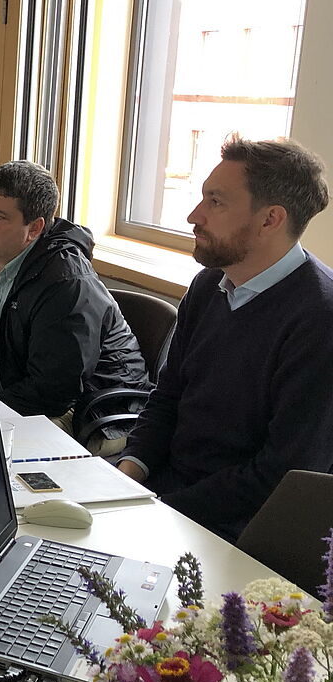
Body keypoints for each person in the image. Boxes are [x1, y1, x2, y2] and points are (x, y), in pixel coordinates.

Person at [118, 137, 333, 541]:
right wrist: (127, 474)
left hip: (239, 530)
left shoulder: (320, 319)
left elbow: (281, 475)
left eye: (215, 202)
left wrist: (160, 509)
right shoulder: (208, 285)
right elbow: (168, 397)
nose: (193, 216)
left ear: (270, 220)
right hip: (165, 499)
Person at [0, 161, 148, 447]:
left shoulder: (65, 281)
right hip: (6, 396)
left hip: (88, 409)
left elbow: (53, 389)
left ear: (34, 228)